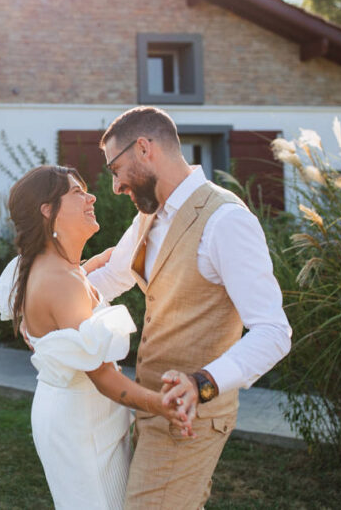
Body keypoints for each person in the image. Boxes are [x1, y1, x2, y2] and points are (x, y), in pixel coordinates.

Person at [83, 106, 292, 509]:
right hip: (149, 408)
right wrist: (45, 304)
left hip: (190, 418)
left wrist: (202, 383)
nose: (115, 186)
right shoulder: (149, 217)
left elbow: (273, 332)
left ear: (144, 148)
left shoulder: (225, 221)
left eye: (115, 168)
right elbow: (109, 279)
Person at [4, 164, 192, 509]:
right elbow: (104, 378)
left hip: (78, 413)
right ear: (48, 210)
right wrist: (161, 406)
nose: (91, 196)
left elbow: (65, 294)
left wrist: (90, 265)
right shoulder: (62, 282)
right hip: (82, 426)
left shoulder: (40, 267)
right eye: (77, 192)